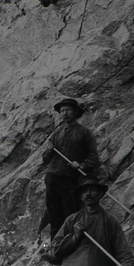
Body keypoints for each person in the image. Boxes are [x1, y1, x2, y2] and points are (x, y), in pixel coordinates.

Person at [39, 97, 101, 237]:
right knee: (54, 214)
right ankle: (56, 247)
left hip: (71, 179)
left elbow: (93, 159)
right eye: (62, 111)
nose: (64, 113)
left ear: (75, 112)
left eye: (67, 110)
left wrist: (82, 165)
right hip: (53, 177)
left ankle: (71, 245)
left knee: (71, 215)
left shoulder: (85, 132)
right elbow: (45, 158)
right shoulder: (57, 133)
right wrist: (49, 150)